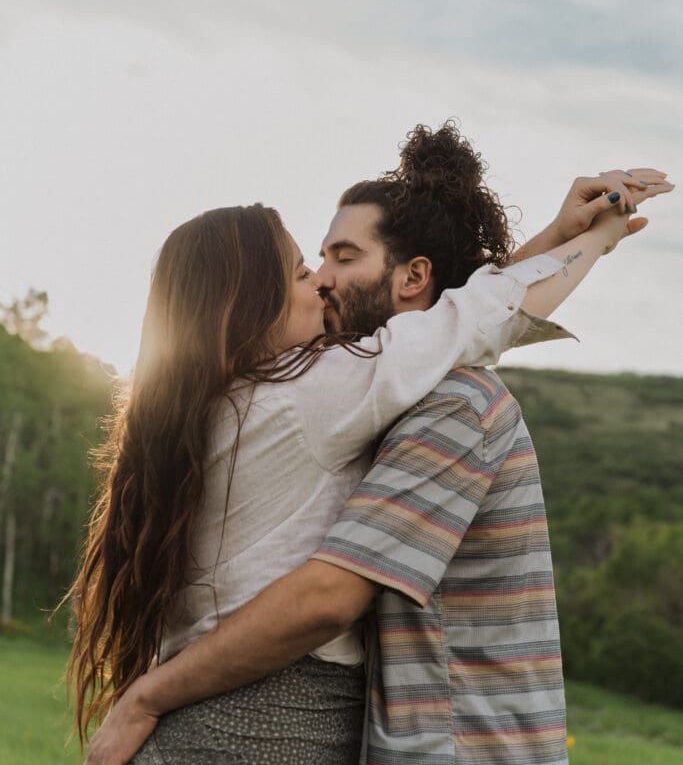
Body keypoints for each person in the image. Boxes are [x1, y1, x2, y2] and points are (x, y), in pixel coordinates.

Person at [79, 125, 672, 765]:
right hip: (266, 725)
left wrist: (566, 236)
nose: (323, 282)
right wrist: (598, 237)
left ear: (413, 275)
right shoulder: (316, 390)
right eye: (307, 269)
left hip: (214, 723)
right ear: (254, 300)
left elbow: (461, 321)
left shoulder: (218, 401)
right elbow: (474, 318)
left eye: (337, 259)